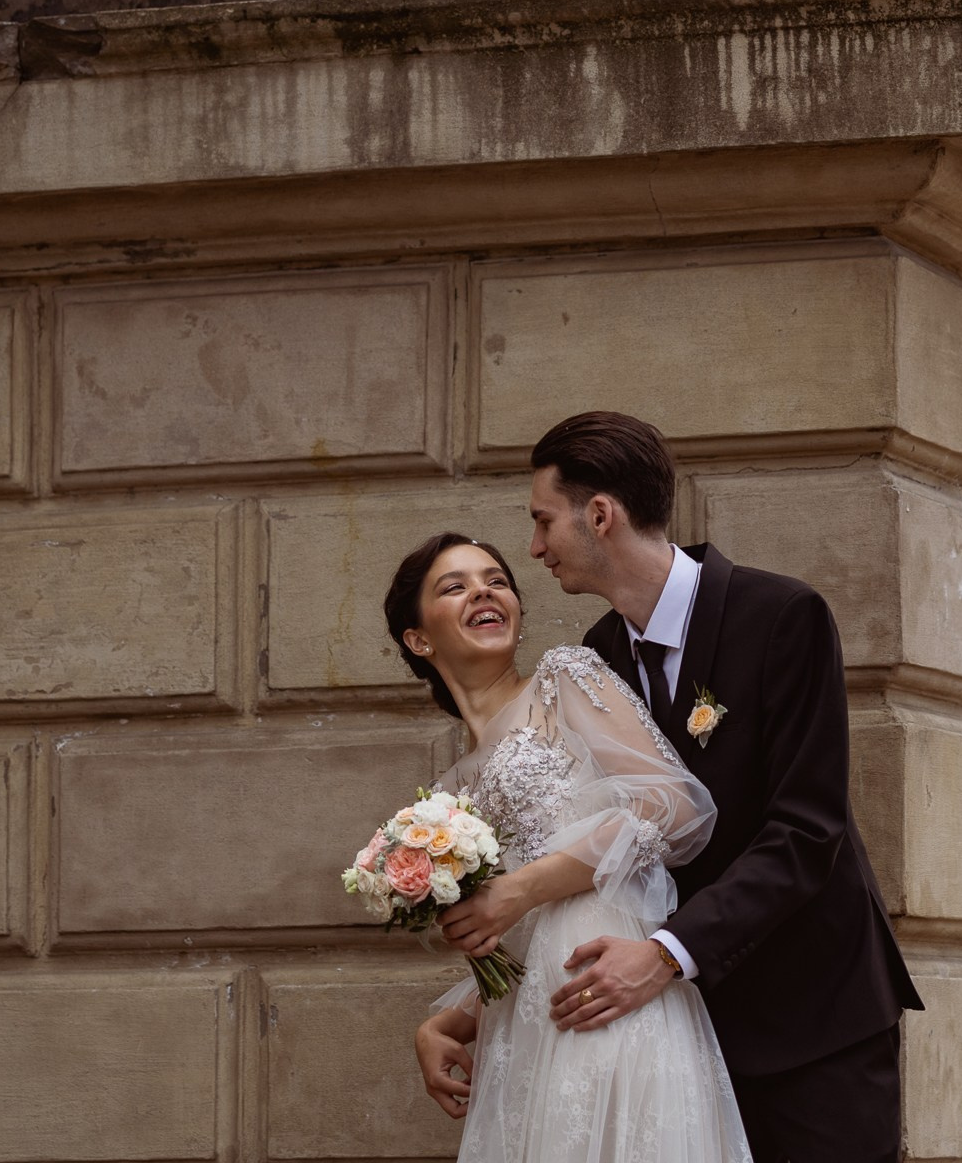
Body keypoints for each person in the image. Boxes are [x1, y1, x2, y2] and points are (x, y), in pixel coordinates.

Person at [418, 412, 921, 1163]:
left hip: (811, 1019)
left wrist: (662, 954)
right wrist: (470, 1008)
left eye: (542, 521)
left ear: (600, 516)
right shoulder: (598, 654)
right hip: (676, 1039)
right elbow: (617, 868)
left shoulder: (781, 616)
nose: (534, 548)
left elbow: (806, 834)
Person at [386, 530, 753, 1163]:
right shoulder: (450, 797)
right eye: (455, 586)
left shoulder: (565, 679)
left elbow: (673, 805)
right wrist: (445, 1023)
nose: (484, 591)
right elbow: (527, 941)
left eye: (496, 580)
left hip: (617, 993)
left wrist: (520, 888)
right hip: (529, 1033)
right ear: (418, 640)